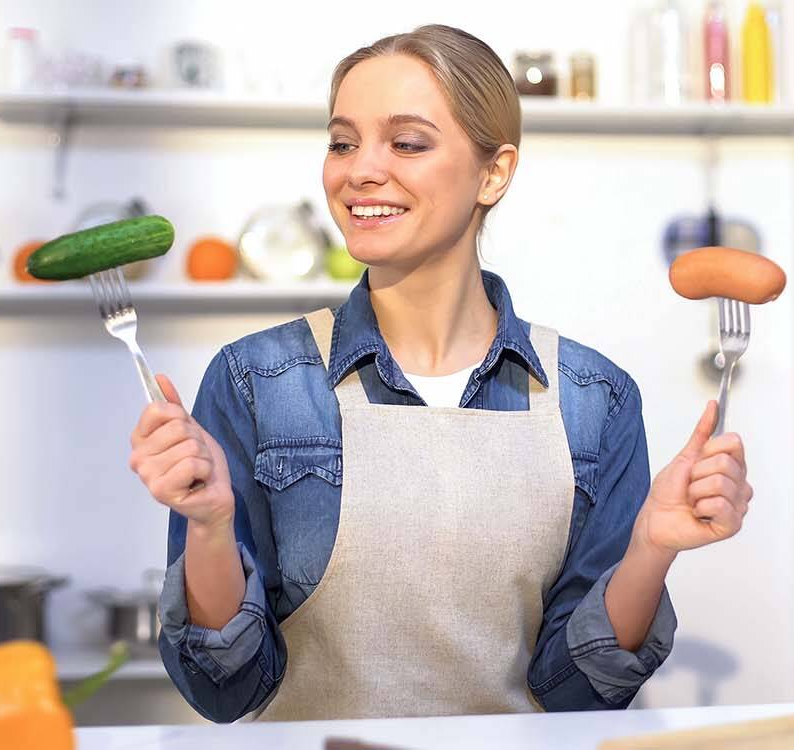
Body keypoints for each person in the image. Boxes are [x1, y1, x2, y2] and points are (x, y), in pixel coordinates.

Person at [129, 24, 752, 723]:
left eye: (407, 142)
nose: (360, 170)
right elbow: (224, 689)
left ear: (495, 172)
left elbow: (576, 693)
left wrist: (651, 548)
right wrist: (211, 529)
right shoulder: (257, 382)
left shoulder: (593, 398)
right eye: (342, 142)